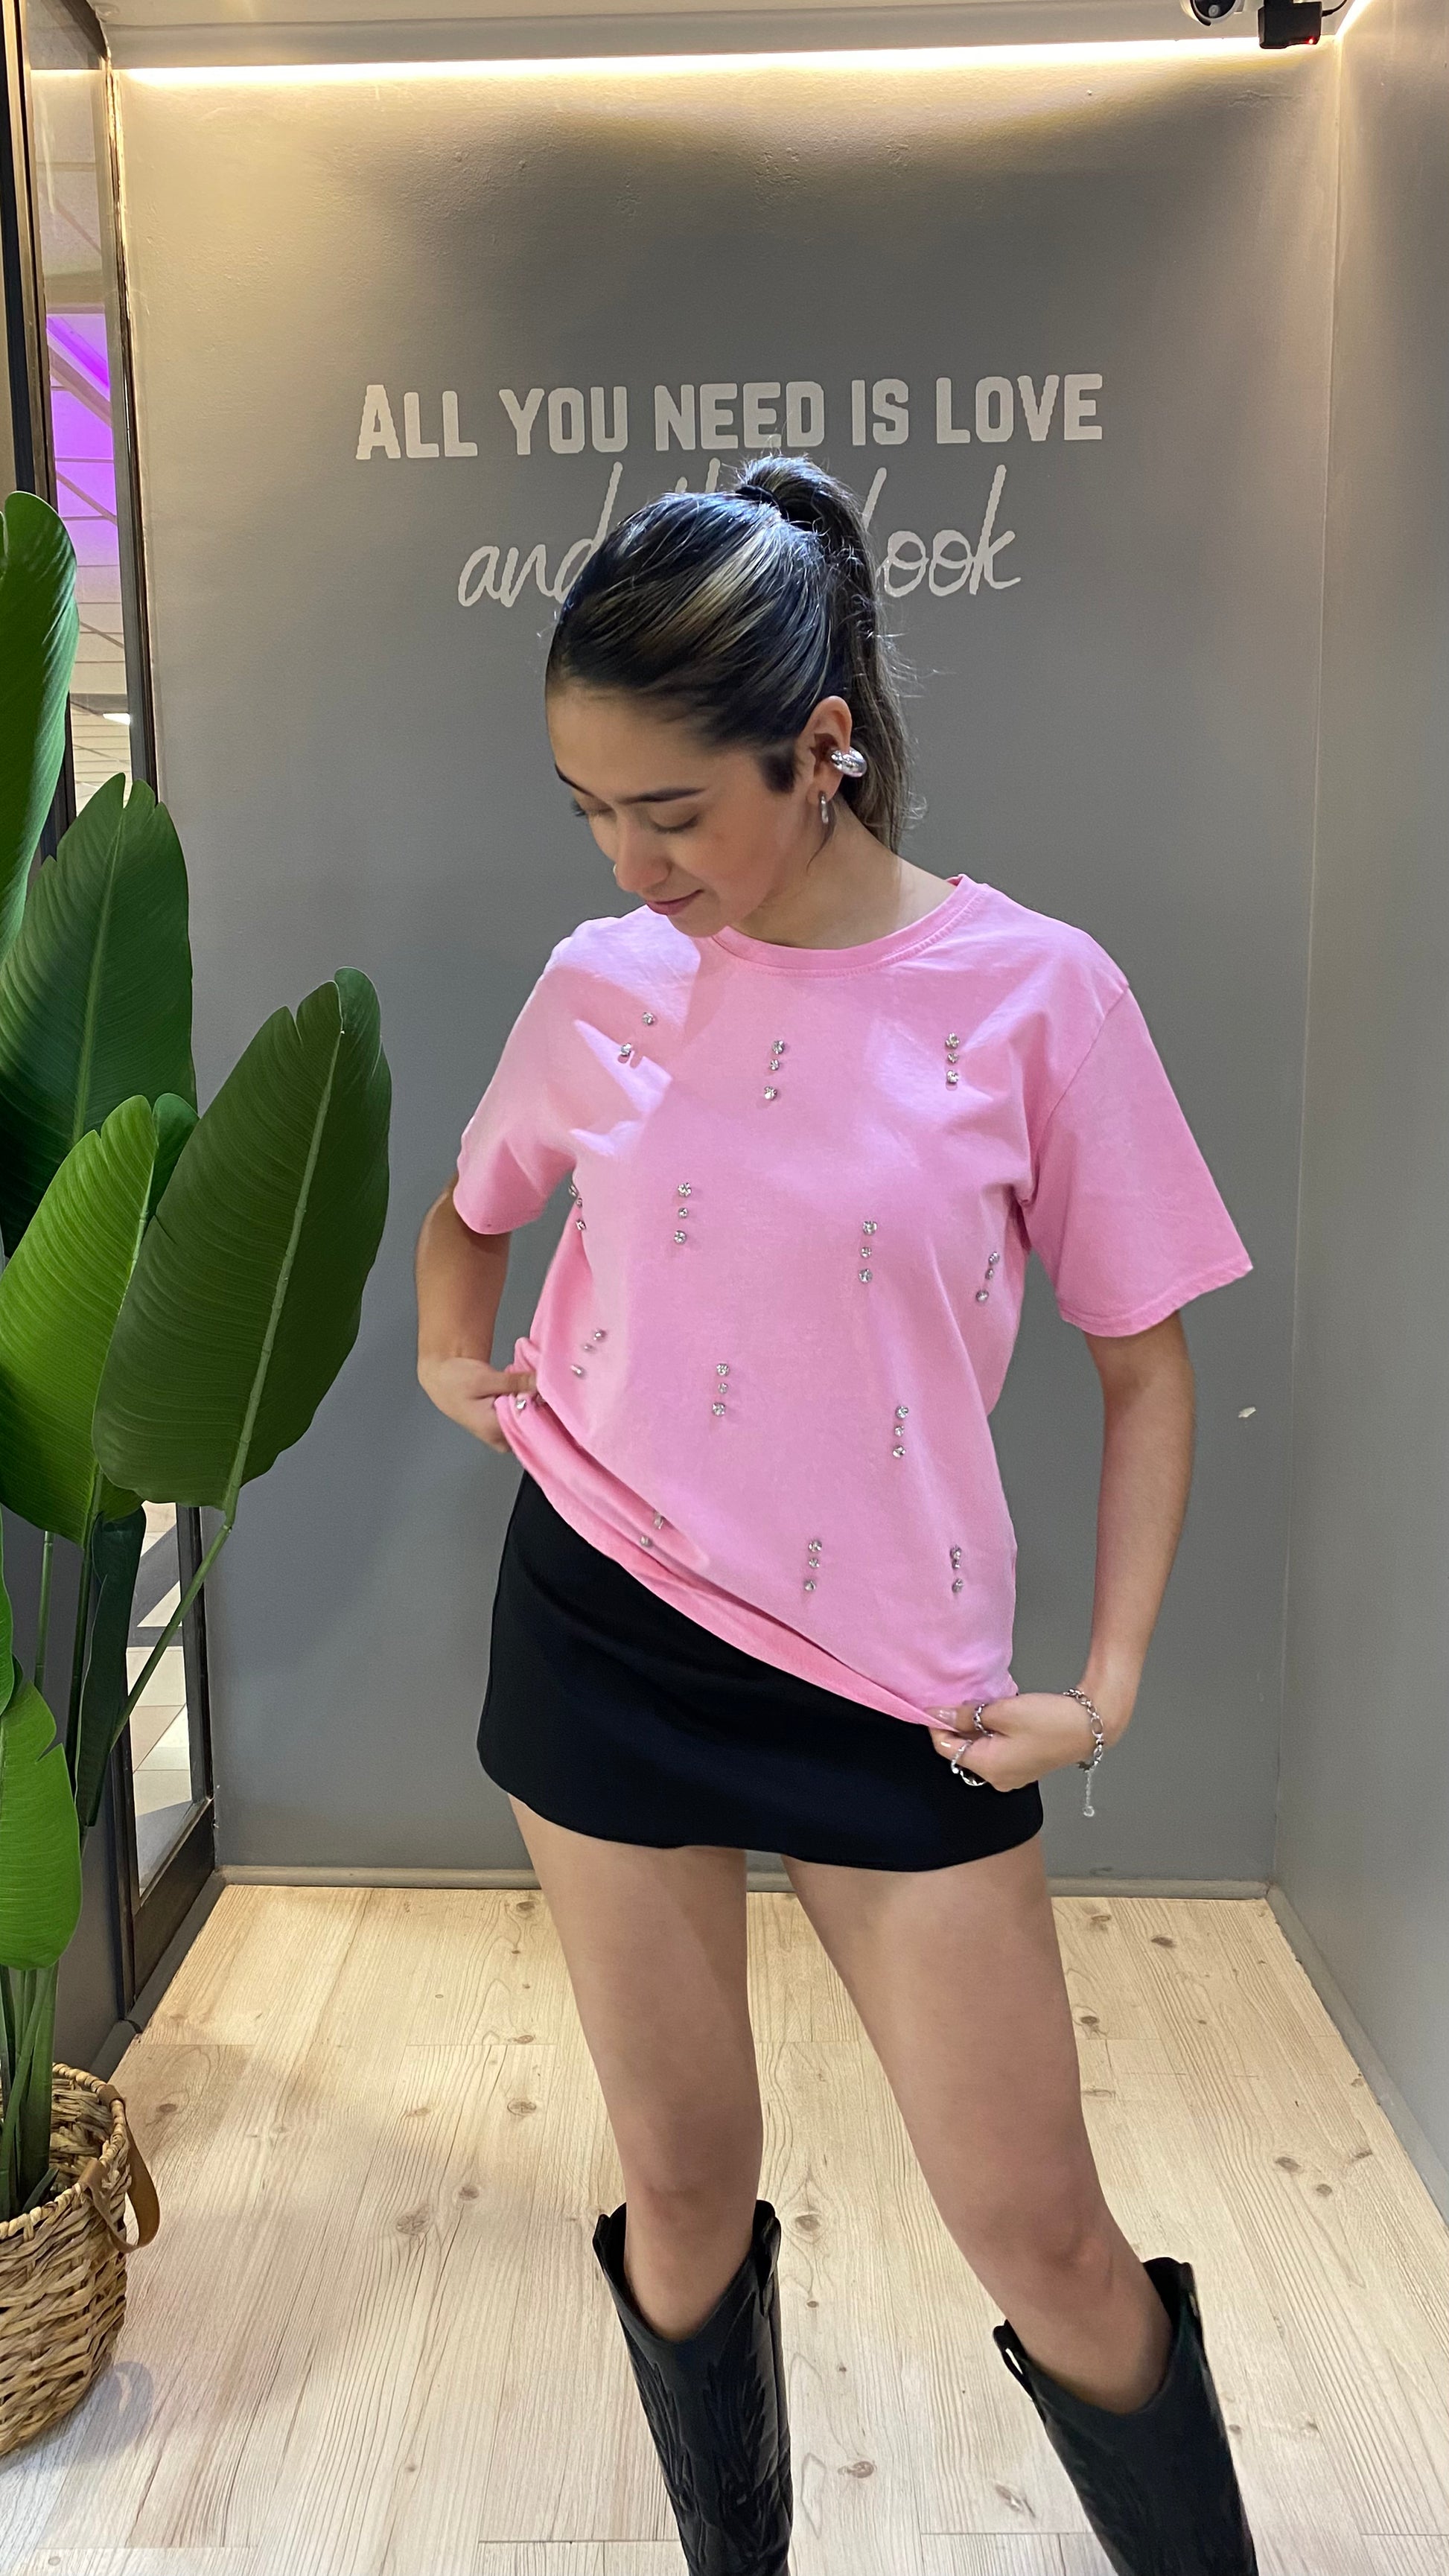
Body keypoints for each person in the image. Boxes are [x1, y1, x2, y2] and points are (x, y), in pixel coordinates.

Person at [415, 455, 1259, 2576]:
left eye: (671, 811)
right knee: (683, 2184)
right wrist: (452, 1351)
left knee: (1042, 2229)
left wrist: (1106, 1690)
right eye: (587, 812)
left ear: (821, 746)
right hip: (602, 1633)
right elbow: (470, 1212)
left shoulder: (1036, 995)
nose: (631, 864)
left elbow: (1144, 1368)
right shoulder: (602, 976)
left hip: (899, 1693)